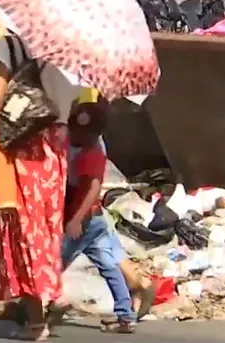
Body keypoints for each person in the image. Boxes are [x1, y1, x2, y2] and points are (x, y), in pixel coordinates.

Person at [0, 34, 79, 341]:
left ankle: (36, 320)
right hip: (57, 144)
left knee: (24, 228)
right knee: (48, 226)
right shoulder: (69, 49)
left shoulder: (9, 46)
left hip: (23, 143)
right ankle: (52, 291)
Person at [56, 94, 138, 332]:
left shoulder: (93, 154)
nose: (75, 136)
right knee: (109, 265)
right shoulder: (79, 147)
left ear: (93, 134)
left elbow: (93, 190)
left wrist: (75, 220)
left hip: (85, 220)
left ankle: (45, 306)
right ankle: (126, 316)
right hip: (96, 220)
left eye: (80, 133)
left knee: (55, 262)